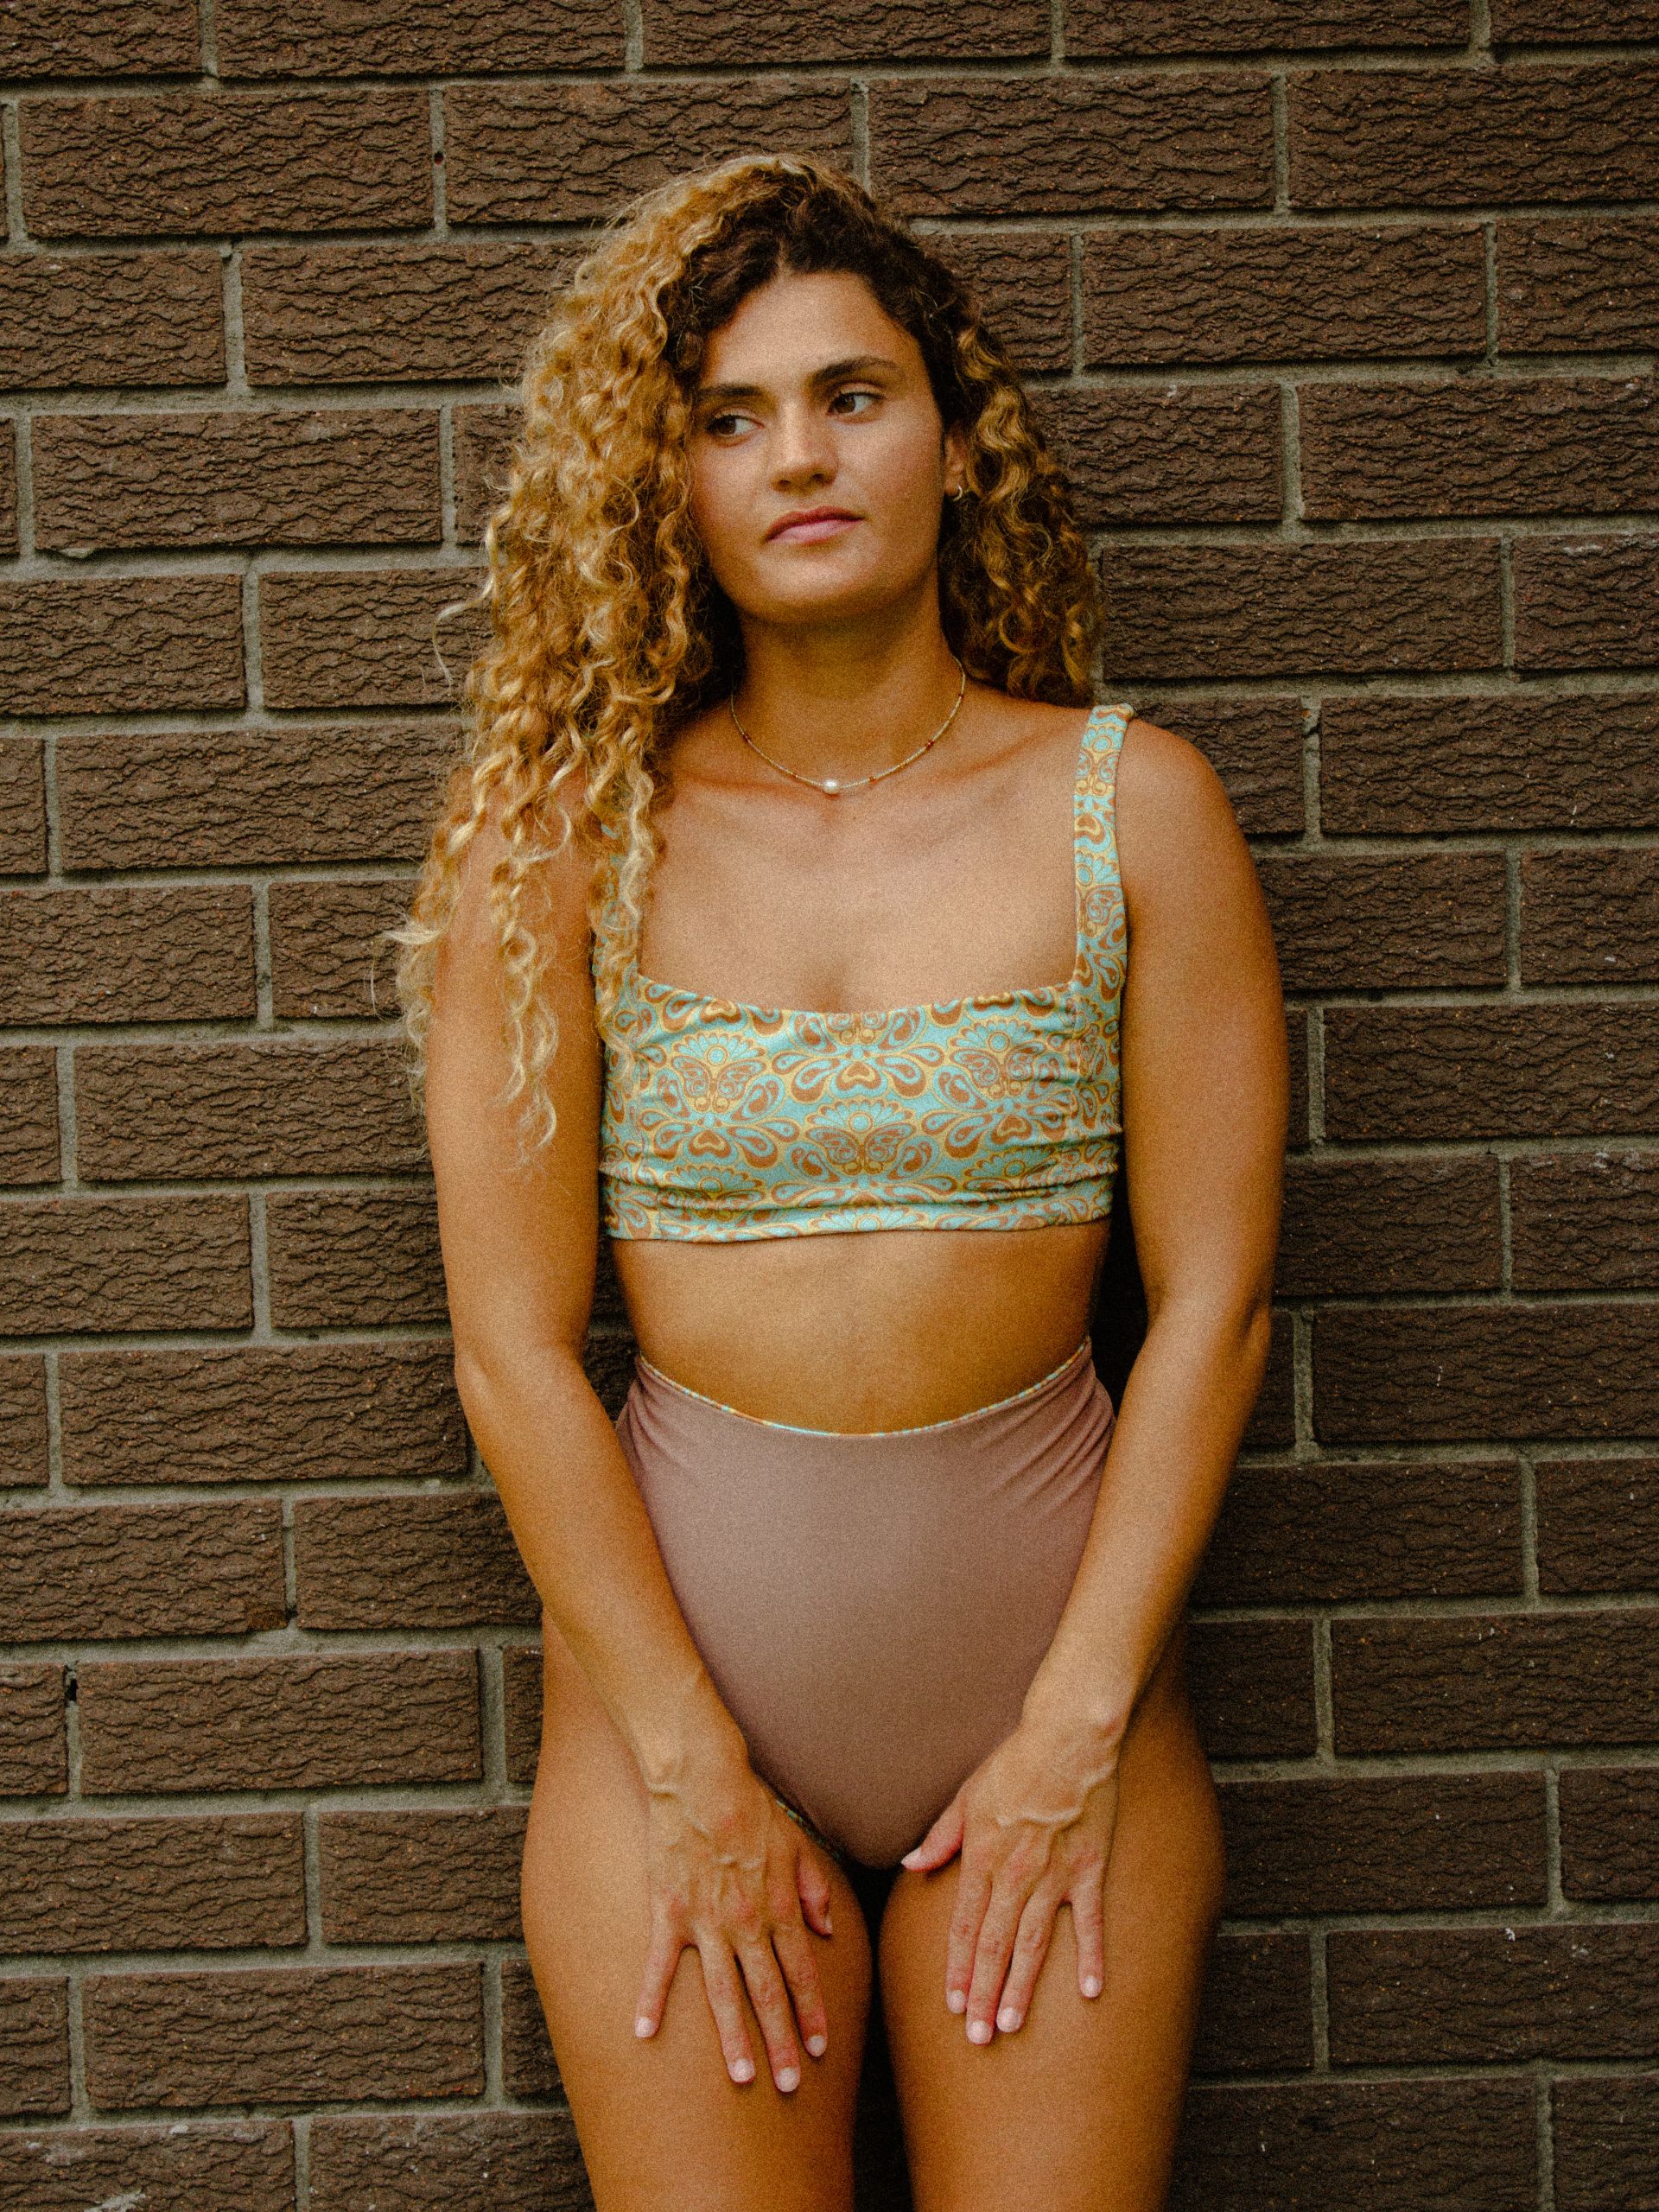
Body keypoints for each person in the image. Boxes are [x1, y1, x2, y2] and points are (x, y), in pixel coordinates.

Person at [391, 151, 1287, 2212]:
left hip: (1059, 1707)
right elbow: (510, 1348)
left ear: (955, 443)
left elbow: (1218, 1306)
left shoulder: (1134, 808)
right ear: (670, 487)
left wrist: (1075, 1731)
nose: (798, 453)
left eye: (851, 395)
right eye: (730, 417)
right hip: (669, 1730)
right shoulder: (562, 844)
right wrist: (688, 1768)